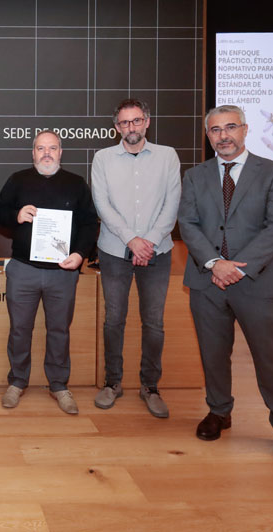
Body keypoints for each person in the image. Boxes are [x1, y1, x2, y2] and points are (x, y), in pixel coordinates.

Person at [178, 104, 273, 472]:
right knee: (213, 353)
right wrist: (215, 263)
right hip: (207, 279)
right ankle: (219, 411)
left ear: (246, 130)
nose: (223, 136)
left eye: (230, 127)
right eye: (216, 130)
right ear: (208, 136)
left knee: (271, 358)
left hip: (260, 280)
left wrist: (236, 268)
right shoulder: (195, 176)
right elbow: (188, 223)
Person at [0, 130, 98, 414]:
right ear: (33, 152)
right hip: (23, 270)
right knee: (19, 329)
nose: (47, 153)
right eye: (41, 148)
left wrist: (79, 255)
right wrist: (16, 215)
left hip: (63, 273)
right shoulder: (18, 180)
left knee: (59, 330)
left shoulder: (76, 184)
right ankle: (17, 381)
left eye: (52, 148)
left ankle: (59, 384)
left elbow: (90, 224)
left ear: (61, 152)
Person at [90, 98, 181, 418]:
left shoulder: (168, 156)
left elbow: (172, 205)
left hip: (158, 251)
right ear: (116, 127)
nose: (131, 127)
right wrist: (131, 240)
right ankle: (112, 383)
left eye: (136, 121)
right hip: (115, 251)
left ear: (147, 122)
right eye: (124, 123)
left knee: (154, 323)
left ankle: (150, 386)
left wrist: (148, 242)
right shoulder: (102, 158)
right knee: (113, 320)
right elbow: (102, 205)